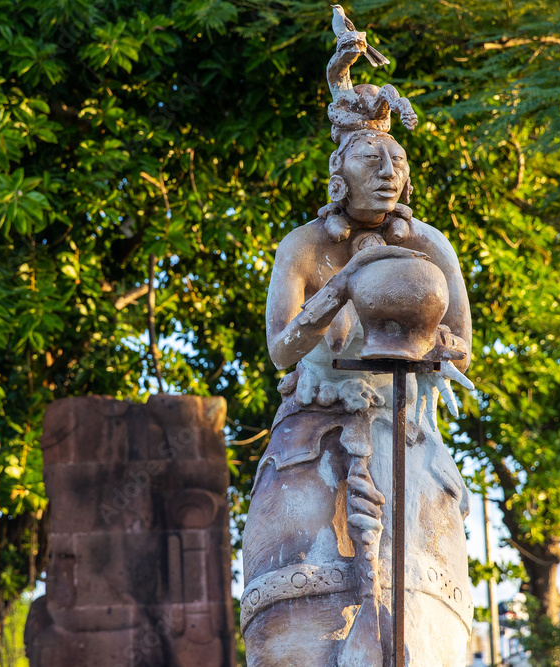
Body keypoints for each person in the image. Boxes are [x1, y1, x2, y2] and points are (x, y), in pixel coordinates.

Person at [239, 76, 476, 665]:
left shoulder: (429, 247)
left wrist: (434, 343)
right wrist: (340, 288)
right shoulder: (304, 246)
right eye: (372, 158)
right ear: (339, 173)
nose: (388, 171)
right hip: (315, 426)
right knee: (291, 570)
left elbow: (464, 348)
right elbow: (281, 350)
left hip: (405, 425)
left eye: (396, 159)